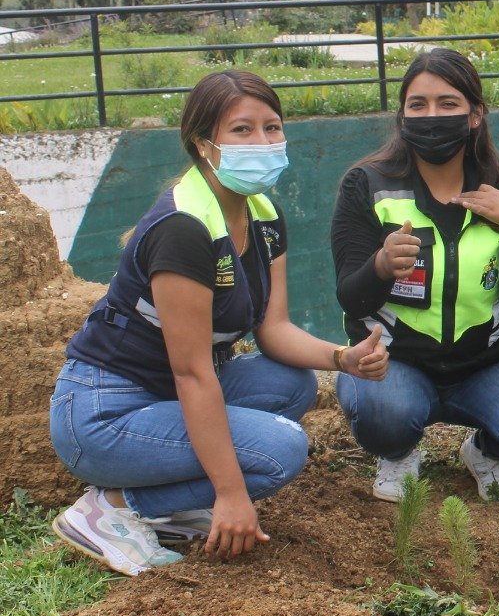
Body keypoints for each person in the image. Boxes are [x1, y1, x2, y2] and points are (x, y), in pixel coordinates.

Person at [49, 70, 389, 577]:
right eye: (243, 131)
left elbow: (273, 329)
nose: (264, 142)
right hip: (105, 412)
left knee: (291, 384)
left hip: (164, 394)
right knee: (279, 452)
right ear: (203, 143)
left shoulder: (263, 212)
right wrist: (231, 493)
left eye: (272, 127)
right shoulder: (184, 229)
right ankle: (114, 509)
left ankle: (166, 506)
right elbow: (192, 374)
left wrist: (343, 359)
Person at [331, 48, 499, 502]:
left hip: (485, 364)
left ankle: (483, 451)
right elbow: (351, 298)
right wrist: (381, 265)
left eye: (448, 104)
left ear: (475, 114)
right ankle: (399, 452)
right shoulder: (366, 184)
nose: (431, 116)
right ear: (402, 115)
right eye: (417, 105)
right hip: (394, 361)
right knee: (386, 418)